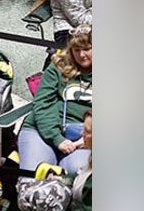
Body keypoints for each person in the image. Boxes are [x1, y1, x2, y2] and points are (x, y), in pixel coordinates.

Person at [20, 25, 92, 175]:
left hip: (85, 137)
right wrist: (57, 138)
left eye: (87, 49)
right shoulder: (58, 65)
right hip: (43, 129)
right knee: (35, 176)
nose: (82, 55)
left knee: (77, 172)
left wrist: (88, 140)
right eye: (76, 50)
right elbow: (43, 103)